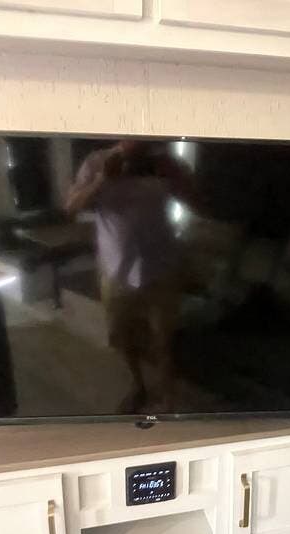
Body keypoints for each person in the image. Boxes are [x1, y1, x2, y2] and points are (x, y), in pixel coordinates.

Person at [65, 140, 196, 413]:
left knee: (164, 339)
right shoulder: (96, 162)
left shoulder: (166, 162)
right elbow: (71, 207)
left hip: (162, 266)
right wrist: (101, 180)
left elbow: (196, 202)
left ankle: (167, 395)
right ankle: (138, 386)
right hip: (116, 270)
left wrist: (177, 178)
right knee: (122, 335)